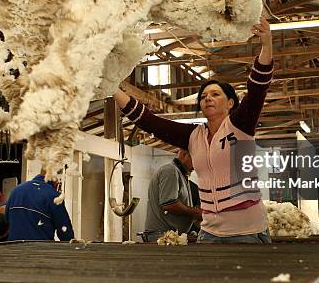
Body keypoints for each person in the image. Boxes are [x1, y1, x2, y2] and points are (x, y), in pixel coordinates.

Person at [114, 18, 273, 243]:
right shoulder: (193, 136)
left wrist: (266, 45)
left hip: (247, 231)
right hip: (209, 232)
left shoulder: (240, 126)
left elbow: (257, 89)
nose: (208, 98)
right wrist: (112, 88)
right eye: (203, 96)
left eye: (215, 94)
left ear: (230, 103)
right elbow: (149, 121)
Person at [143, 149, 202, 242]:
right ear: (184, 154)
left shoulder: (181, 174)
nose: (196, 166)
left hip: (170, 237)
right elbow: (169, 204)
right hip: (161, 237)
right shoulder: (170, 170)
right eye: (196, 160)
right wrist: (195, 213)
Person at [6, 170, 74, 242]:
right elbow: (66, 234)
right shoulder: (54, 197)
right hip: (39, 251)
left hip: (13, 250)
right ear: (55, 177)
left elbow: (7, 220)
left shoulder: (16, 190)